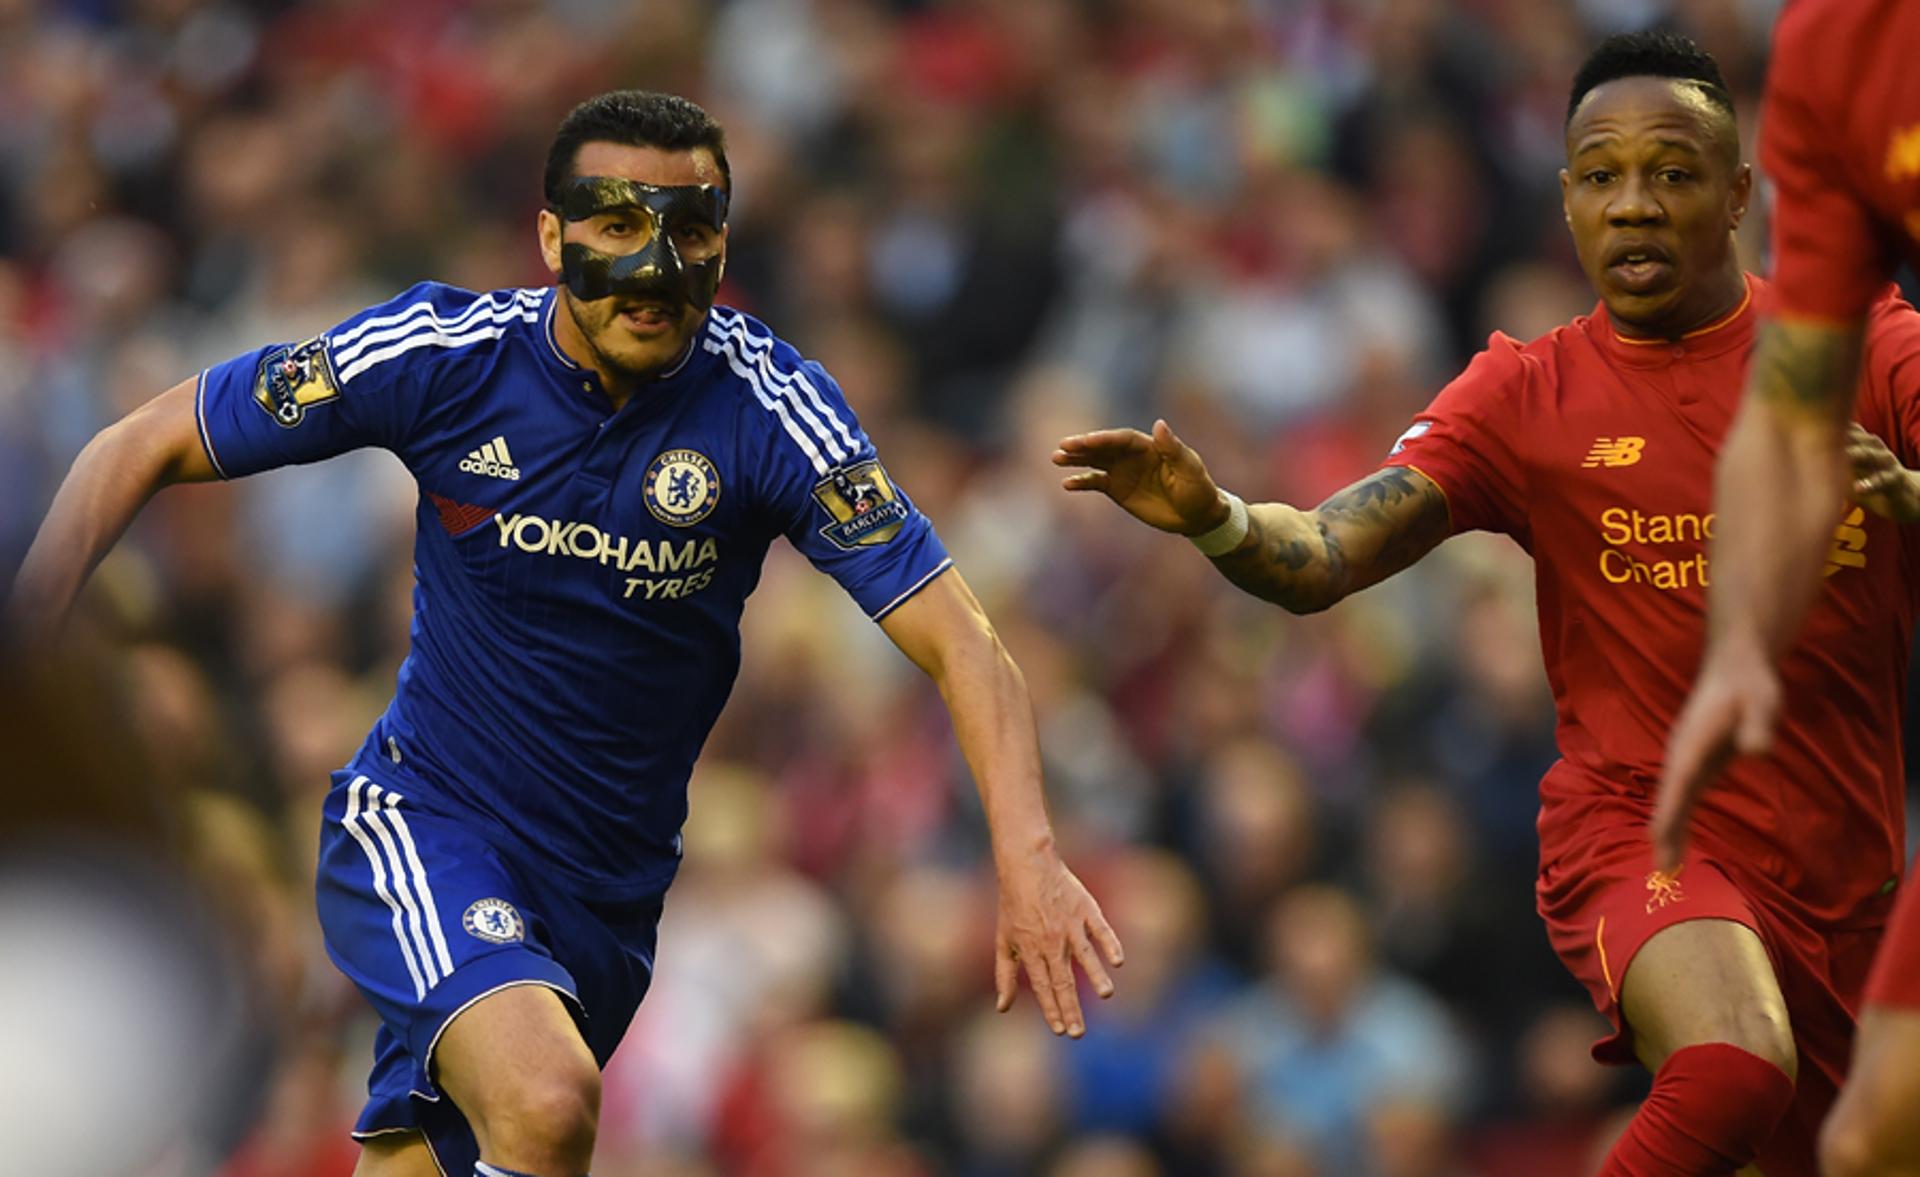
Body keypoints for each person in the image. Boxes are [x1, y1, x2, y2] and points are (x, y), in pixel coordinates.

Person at [9, 91, 1123, 1177]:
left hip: (603, 903)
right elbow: (137, 442)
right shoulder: (446, 356)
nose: (658, 268)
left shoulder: (771, 407)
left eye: (691, 232)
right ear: (551, 236)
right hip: (425, 821)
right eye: (620, 227)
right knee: (549, 1104)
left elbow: (965, 640)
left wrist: (1027, 860)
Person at [1056, 32, 1920, 1177]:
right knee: (1732, 1064)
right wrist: (1216, 514)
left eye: (1671, 171)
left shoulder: (1865, 348)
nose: (1635, 205)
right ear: (1565, 202)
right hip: (1641, 832)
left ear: (1739, 192)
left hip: (1848, 869)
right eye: (1601, 176)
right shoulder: (1526, 392)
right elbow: (1320, 556)